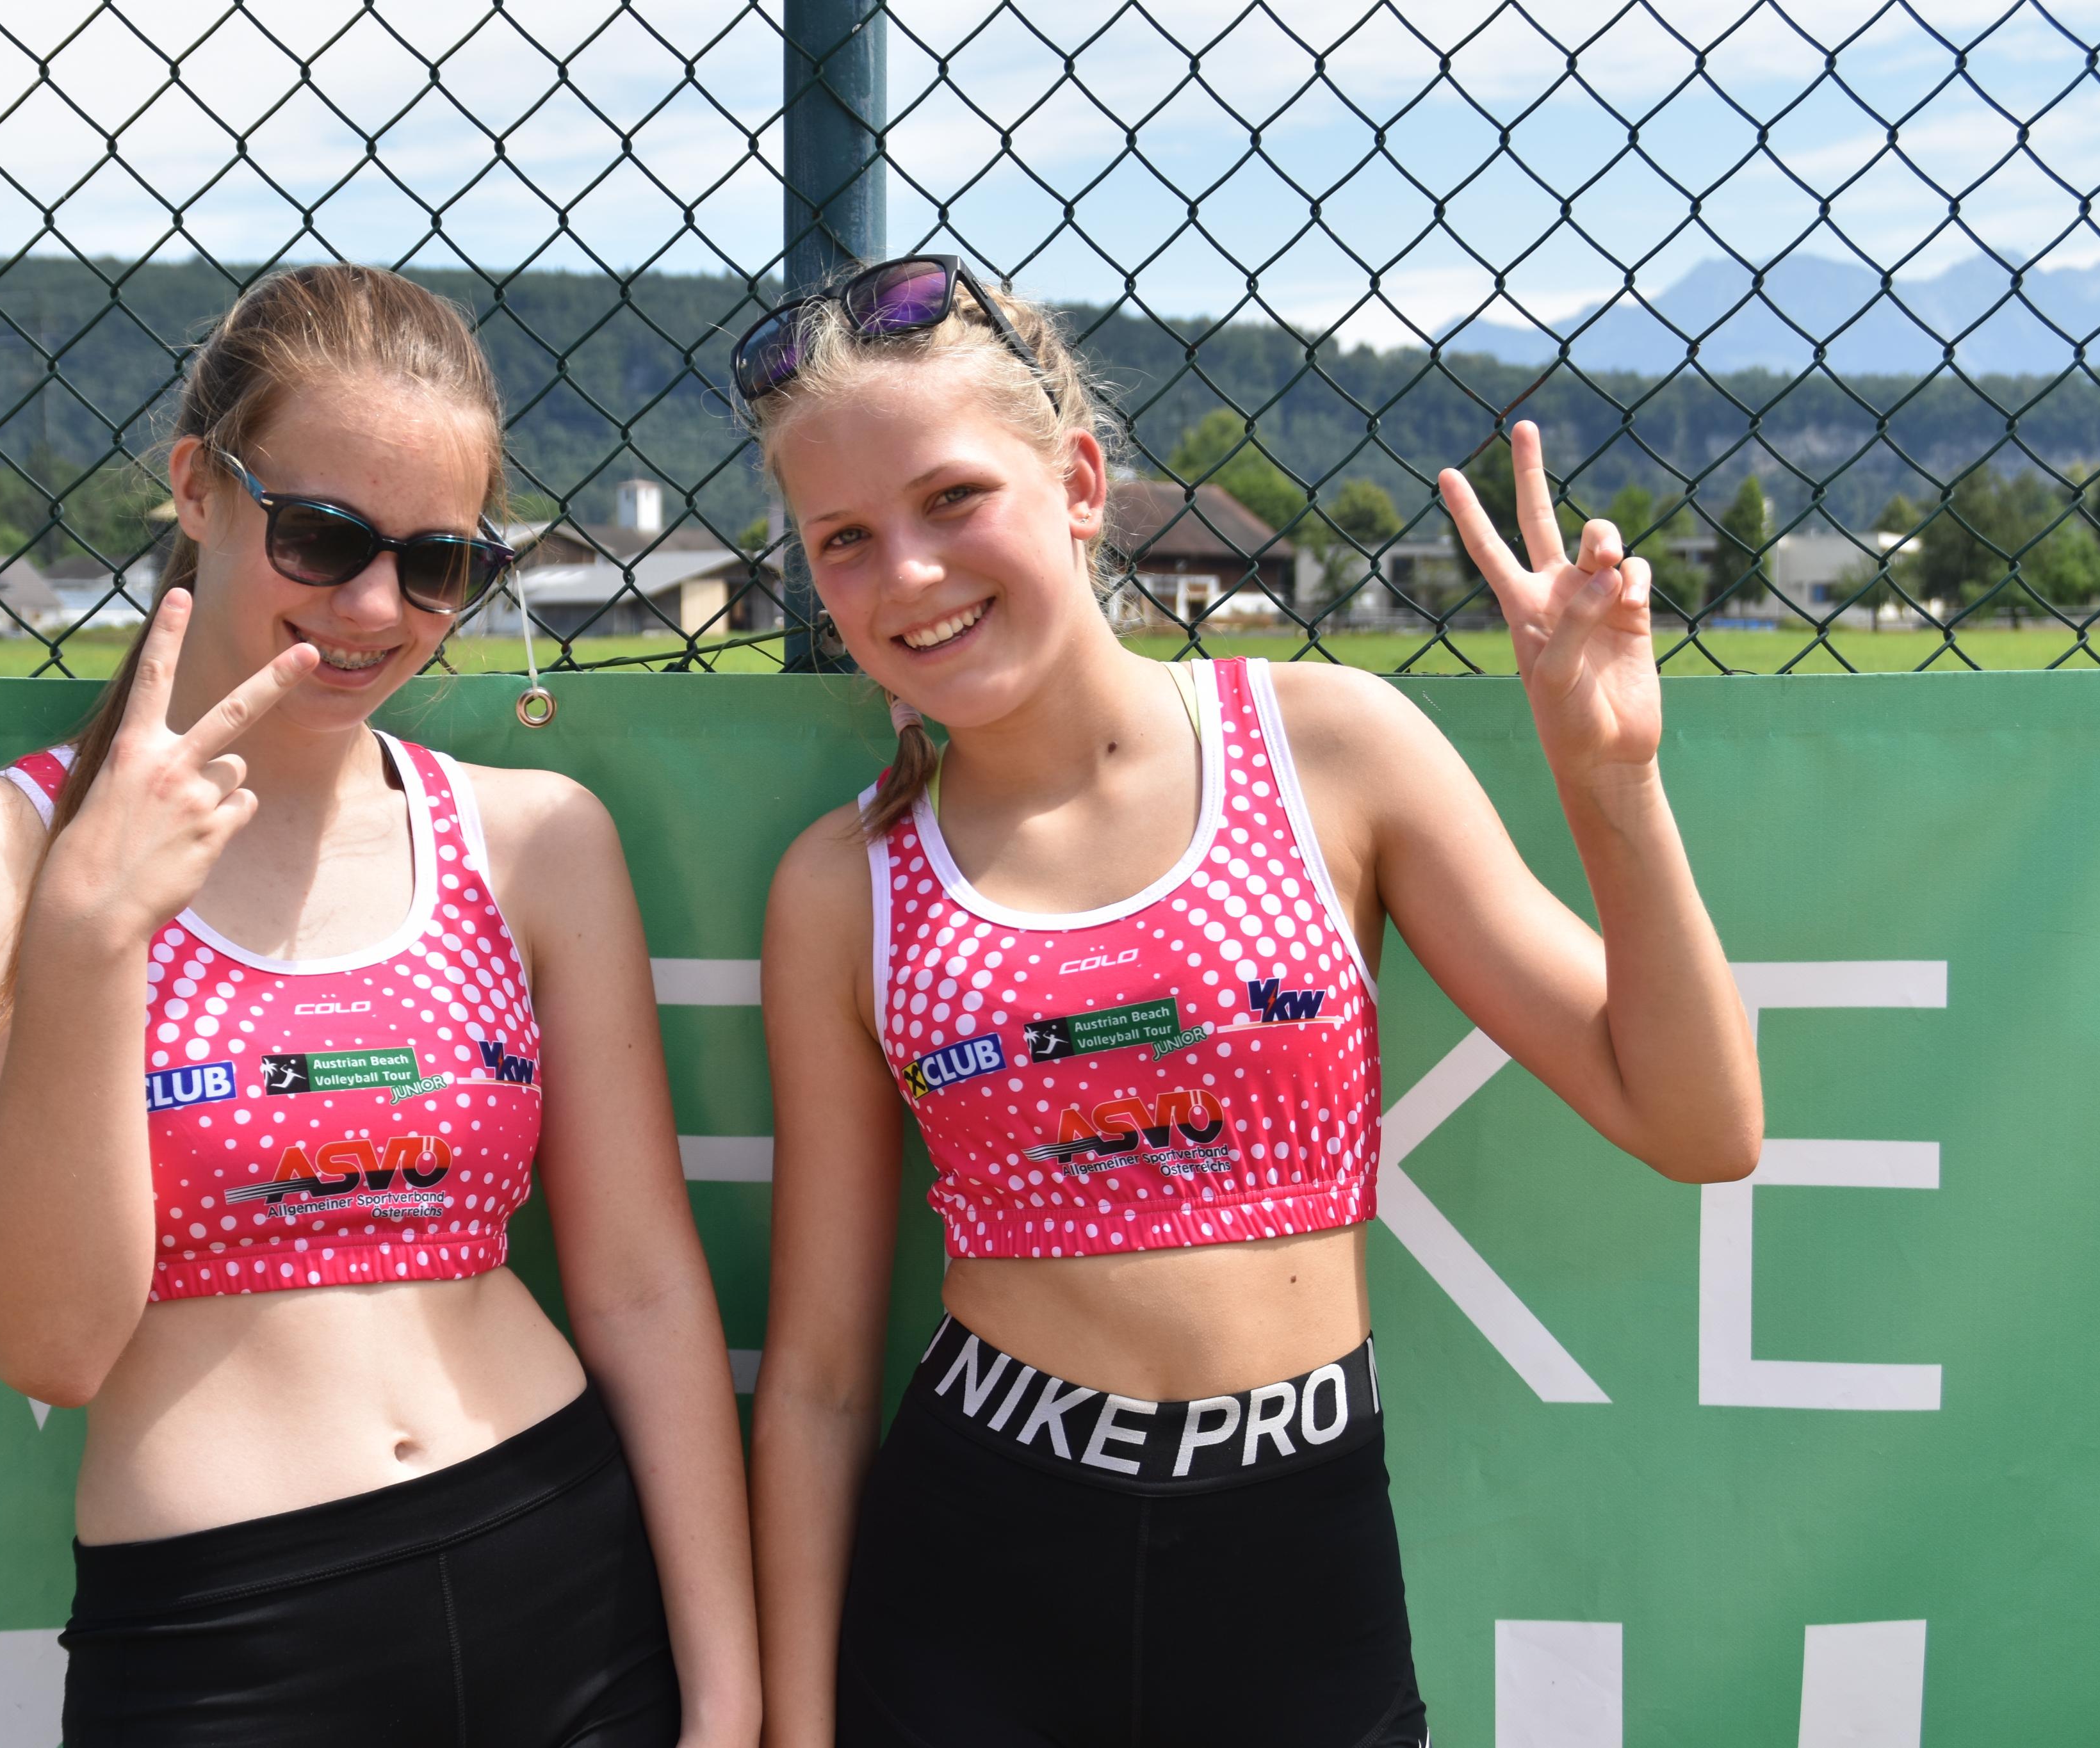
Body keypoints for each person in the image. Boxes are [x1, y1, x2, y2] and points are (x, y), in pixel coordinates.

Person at [739, 255, 1762, 1746]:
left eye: (952, 500)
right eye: (843, 540)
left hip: (1298, 1565)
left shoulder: (1325, 748)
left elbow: (1699, 1125)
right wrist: (791, 1728)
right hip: (974, 1574)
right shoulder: (846, 884)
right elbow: (820, 1379)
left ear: (1077, 483)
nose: (905, 576)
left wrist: (1610, 783)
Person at [0, 264, 758, 1747]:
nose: (371, 608)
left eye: (437, 564)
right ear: (196, 488)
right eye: (322, 537)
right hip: (228, 1641)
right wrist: (93, 939)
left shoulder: (532, 838)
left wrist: (726, 1696)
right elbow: (53, 1346)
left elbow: (640, 1289)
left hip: (568, 1583)